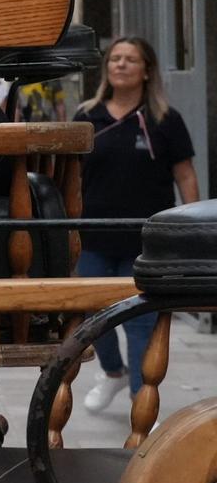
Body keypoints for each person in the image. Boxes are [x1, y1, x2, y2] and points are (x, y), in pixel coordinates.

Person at [76, 36, 200, 413]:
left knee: (141, 325)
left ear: (147, 70)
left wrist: (192, 230)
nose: (121, 64)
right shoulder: (86, 116)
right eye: (115, 58)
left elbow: (186, 175)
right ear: (107, 68)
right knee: (93, 319)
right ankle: (112, 372)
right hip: (93, 237)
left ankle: (140, 407)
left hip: (147, 241)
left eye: (131, 59)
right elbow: (69, 178)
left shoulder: (165, 119)